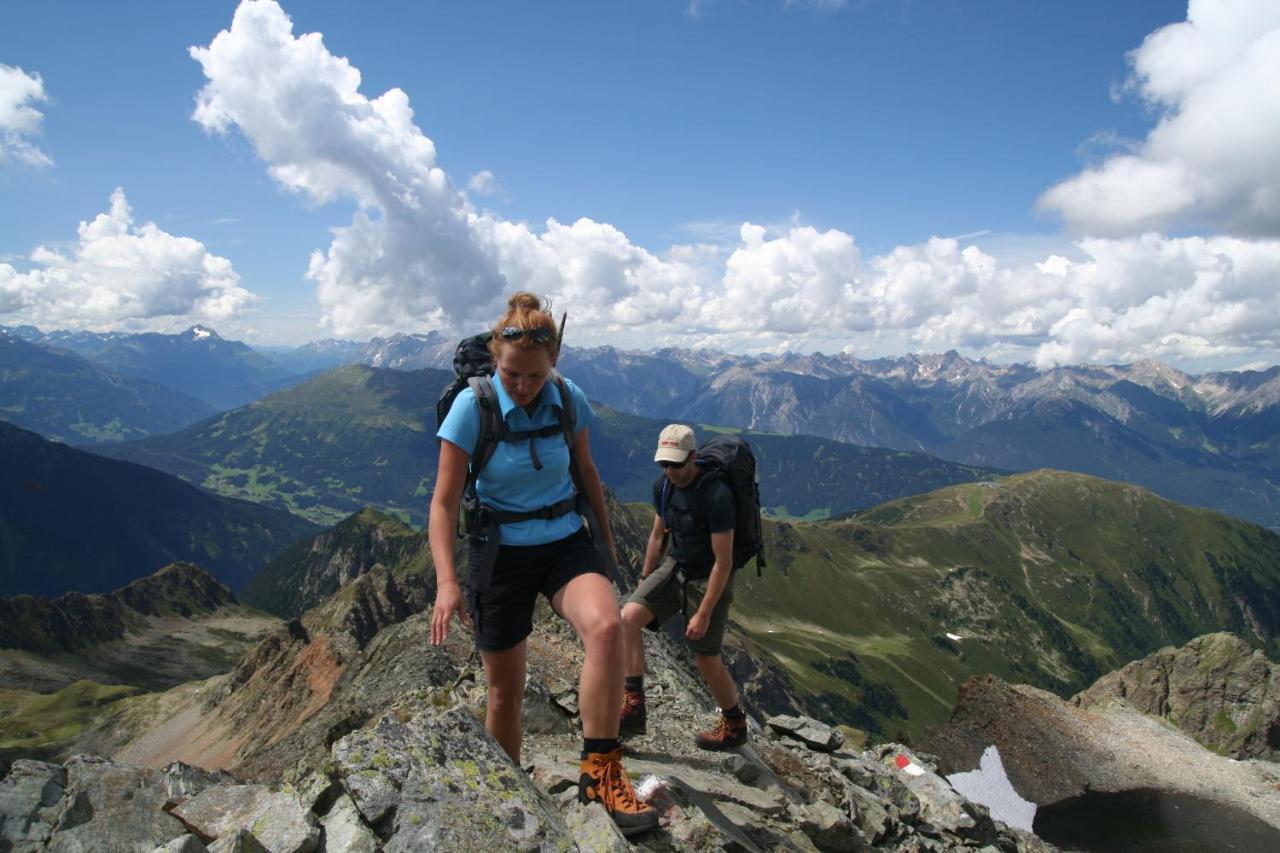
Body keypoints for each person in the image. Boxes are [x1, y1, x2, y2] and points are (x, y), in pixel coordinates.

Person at [429, 292, 658, 836]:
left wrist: (603, 546)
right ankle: (507, 791)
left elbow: (584, 467)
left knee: (605, 628)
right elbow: (442, 502)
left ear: (552, 364)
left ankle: (601, 770)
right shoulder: (472, 405)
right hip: (501, 552)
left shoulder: (566, 396)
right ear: (495, 358)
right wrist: (445, 582)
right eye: (512, 375)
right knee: (505, 693)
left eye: (535, 375)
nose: (524, 386)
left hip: (562, 541)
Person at [618, 424, 748, 750]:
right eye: (665, 463)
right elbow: (658, 534)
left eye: (676, 464)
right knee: (628, 616)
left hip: (707, 579)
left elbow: (724, 562)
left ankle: (735, 725)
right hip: (675, 568)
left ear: (693, 457)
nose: (670, 471)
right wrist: (646, 578)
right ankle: (634, 703)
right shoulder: (664, 486)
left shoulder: (716, 494)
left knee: (706, 659)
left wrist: (703, 613)